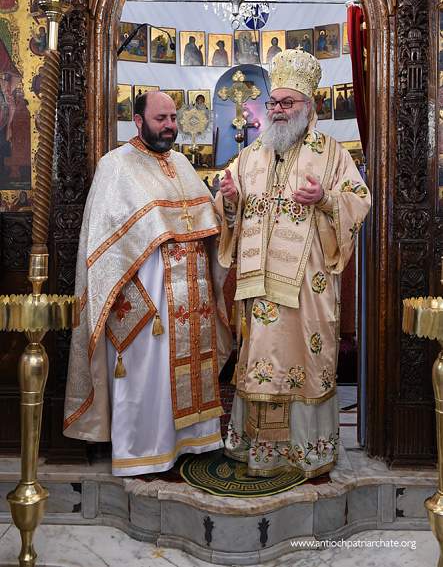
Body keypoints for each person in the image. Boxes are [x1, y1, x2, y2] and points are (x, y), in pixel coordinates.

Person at [216, 49, 371, 479]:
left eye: (288, 103)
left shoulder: (332, 153)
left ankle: (306, 452)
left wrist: (326, 199)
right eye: (274, 103)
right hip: (258, 286)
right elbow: (230, 212)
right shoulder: (252, 154)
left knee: (302, 362)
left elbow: (359, 201)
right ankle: (260, 451)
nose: (278, 110)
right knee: (261, 360)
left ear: (309, 106)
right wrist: (230, 200)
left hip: (307, 289)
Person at [64, 91, 232, 476]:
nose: (170, 126)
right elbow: (103, 242)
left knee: (190, 365)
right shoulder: (116, 166)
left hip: (192, 294)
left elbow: (208, 222)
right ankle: (146, 451)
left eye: (173, 118)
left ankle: (195, 440)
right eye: (161, 119)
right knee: (149, 373)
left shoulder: (182, 164)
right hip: (146, 294)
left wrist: (228, 204)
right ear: (138, 121)